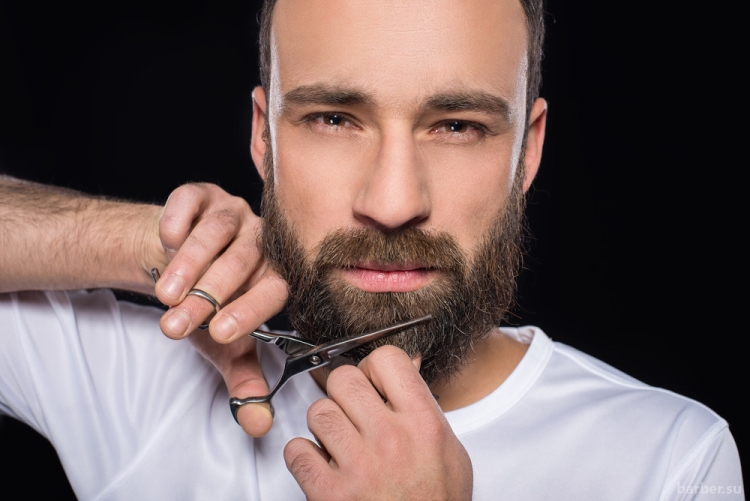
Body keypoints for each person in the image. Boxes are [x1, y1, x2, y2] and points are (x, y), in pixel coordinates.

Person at [0, 0, 743, 499]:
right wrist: (158, 243)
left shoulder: (671, 462)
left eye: (455, 125)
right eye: (333, 118)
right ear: (263, 136)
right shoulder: (137, 372)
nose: (392, 203)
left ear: (527, 151)